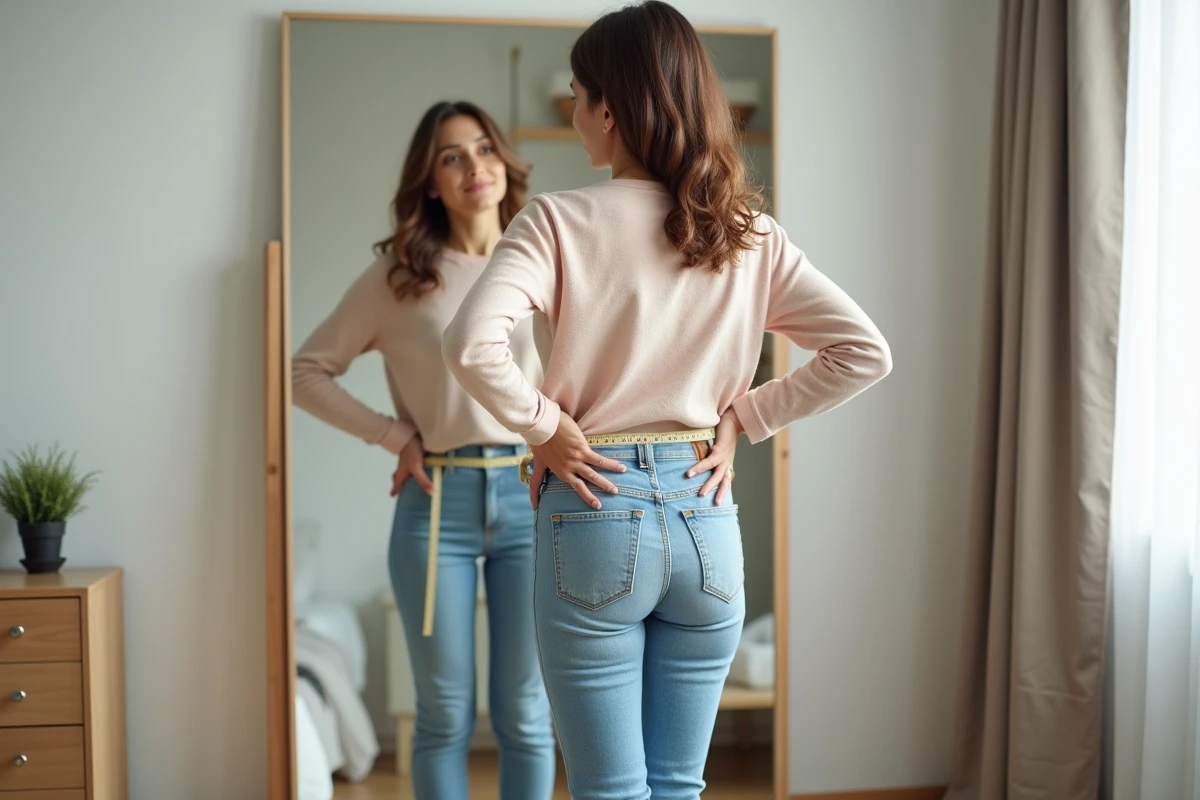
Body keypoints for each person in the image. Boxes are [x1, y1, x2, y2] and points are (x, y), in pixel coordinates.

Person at [442, 3, 893, 798]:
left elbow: (471, 345)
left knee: (610, 789)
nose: (579, 115)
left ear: (608, 109)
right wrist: (746, 418)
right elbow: (864, 353)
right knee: (679, 786)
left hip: (592, 503)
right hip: (707, 518)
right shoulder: (747, 233)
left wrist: (545, 428)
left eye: (581, 96)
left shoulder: (556, 219)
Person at [292, 100, 555, 800]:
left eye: (485, 148)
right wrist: (392, 433)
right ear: (430, 181)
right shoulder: (400, 278)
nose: (475, 166)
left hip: (533, 495)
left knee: (527, 713)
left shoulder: (545, 255)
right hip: (435, 504)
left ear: (504, 160)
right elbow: (305, 371)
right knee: (442, 716)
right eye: (452, 155)